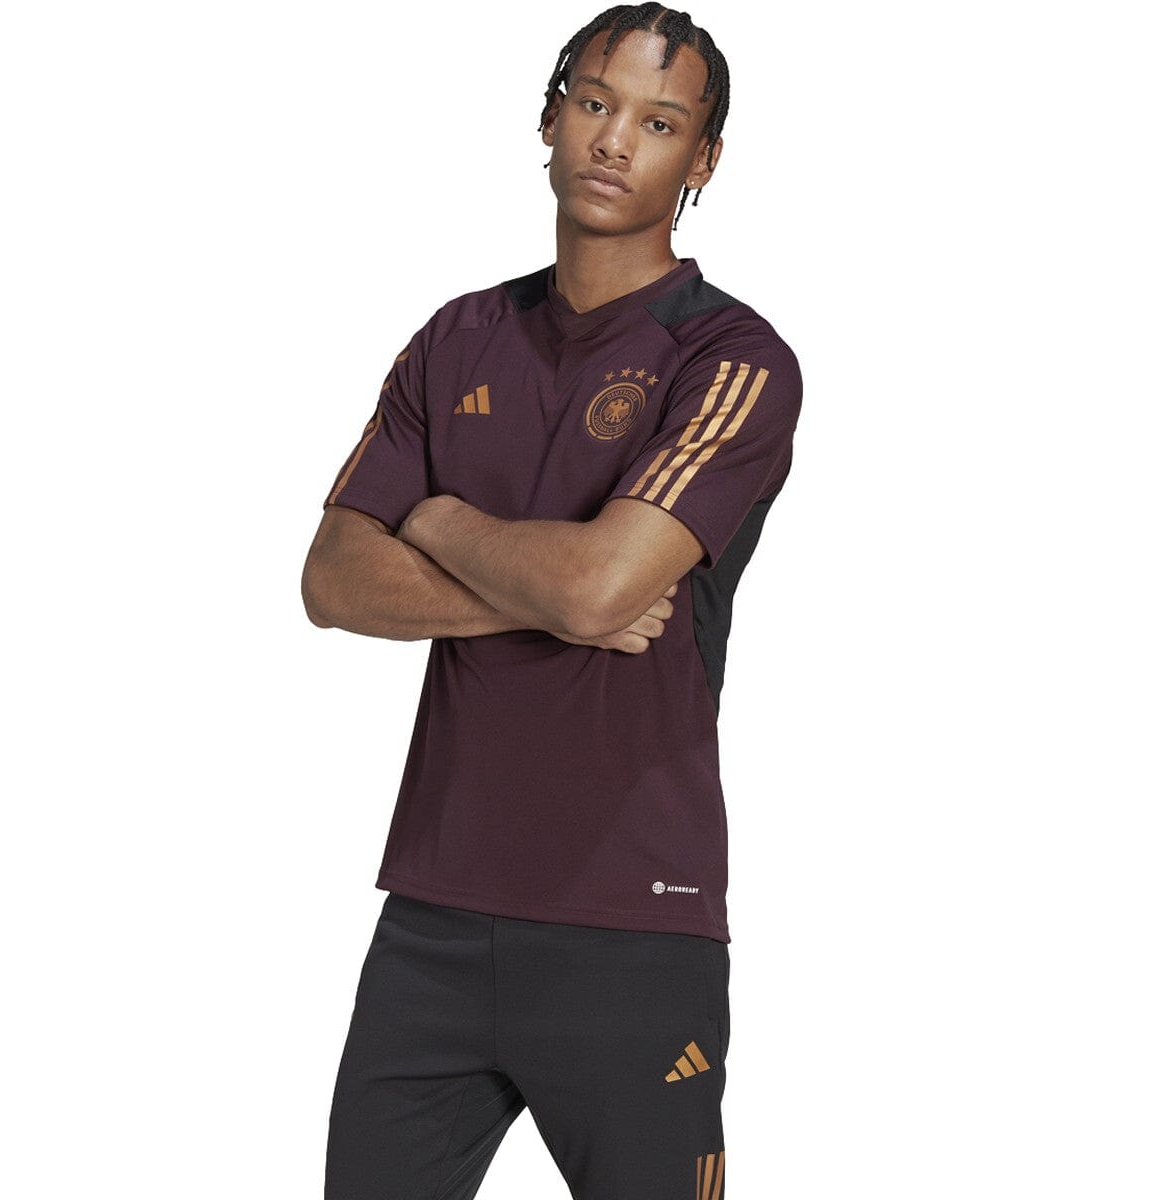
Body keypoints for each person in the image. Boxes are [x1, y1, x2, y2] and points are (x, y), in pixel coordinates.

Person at [301, 5, 803, 1197]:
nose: (614, 140)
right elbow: (331, 578)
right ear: (549, 117)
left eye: (660, 122)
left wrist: (434, 519)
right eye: (593, 103)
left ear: (703, 160)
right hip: (431, 913)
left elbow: (603, 584)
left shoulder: (733, 360)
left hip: (633, 920)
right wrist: (540, 589)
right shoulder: (456, 339)